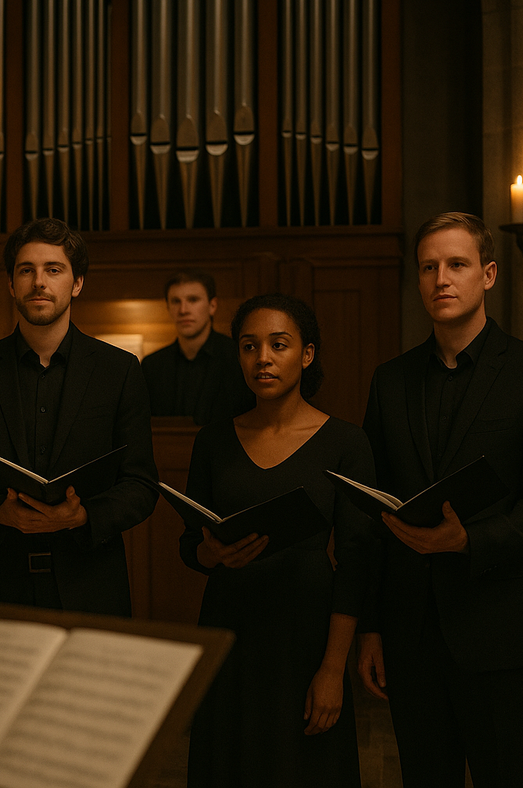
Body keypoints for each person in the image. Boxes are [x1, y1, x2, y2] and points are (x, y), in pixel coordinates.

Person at [357, 212, 523, 788]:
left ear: (488, 274)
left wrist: (470, 540)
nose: (442, 278)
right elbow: (372, 513)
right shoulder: (390, 381)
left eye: (457, 265)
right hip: (412, 632)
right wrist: (371, 629)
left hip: (499, 629)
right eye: (429, 267)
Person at [180, 293, 372, 788]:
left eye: (278, 345)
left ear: (306, 355)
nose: (262, 358)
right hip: (228, 629)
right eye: (249, 346)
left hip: (306, 637)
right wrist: (209, 552)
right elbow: (189, 544)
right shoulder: (214, 440)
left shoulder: (346, 443)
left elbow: (356, 561)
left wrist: (334, 669)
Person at [0, 217, 157, 616]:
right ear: (11, 284)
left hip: (91, 587)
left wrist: (85, 515)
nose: (39, 282)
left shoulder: (120, 371)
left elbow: (141, 485)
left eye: (53, 270)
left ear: (76, 283)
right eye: (27, 270)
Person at [141, 270, 254, 425]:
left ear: (212, 306)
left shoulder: (239, 358)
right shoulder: (152, 366)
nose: (183, 310)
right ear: (168, 308)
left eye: (193, 300)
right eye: (175, 301)